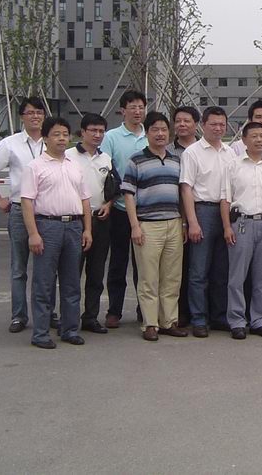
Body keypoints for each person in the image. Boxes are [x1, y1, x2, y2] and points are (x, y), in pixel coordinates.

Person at [20, 117, 92, 349]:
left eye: (65, 134)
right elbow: (27, 202)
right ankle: (41, 333)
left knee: (72, 283)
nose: (62, 139)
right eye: (56, 134)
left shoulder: (74, 165)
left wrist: (87, 229)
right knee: (44, 282)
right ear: (45, 138)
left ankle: (70, 329)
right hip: (47, 227)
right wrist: (33, 233)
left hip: (74, 226)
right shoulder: (35, 167)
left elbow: (85, 199)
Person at [0, 97, 47, 334]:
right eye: (30, 112)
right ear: (22, 117)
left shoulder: (52, 140)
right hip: (19, 210)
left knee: (47, 268)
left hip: (46, 212)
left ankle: (48, 313)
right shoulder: (10, 144)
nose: (35, 116)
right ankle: (19, 315)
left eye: (39, 112)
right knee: (19, 267)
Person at [122, 111, 188, 342]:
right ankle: (150, 323)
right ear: (147, 133)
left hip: (174, 224)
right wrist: (134, 226)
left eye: (163, 129)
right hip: (147, 226)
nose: (160, 134)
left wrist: (183, 223)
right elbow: (128, 194)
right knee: (149, 278)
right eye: (155, 129)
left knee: (172, 277)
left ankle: (169, 321)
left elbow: (182, 194)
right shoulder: (136, 160)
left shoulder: (176, 160)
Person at [221, 121, 262, 340]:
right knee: (237, 276)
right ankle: (237, 321)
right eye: (254, 136)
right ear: (244, 140)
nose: (259, 140)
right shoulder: (233, 165)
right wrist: (226, 227)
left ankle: (260, 320)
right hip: (242, 223)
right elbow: (225, 199)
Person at [180, 106, 235, 337]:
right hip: (202, 211)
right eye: (213, 124)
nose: (218, 128)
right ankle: (199, 319)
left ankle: (219, 316)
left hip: (227, 213)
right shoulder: (192, 152)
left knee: (222, 270)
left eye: (222, 124)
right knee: (198, 271)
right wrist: (192, 222)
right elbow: (186, 188)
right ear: (203, 125)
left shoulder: (230, 152)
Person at [65, 113, 118, 334]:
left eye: (101, 131)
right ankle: (68, 319)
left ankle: (90, 317)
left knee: (96, 273)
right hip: (75, 221)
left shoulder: (106, 158)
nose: (97, 135)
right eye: (93, 130)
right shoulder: (67, 156)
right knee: (71, 273)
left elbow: (114, 186)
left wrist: (109, 204)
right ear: (83, 131)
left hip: (100, 220)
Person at [100, 90, 148, 329]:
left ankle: (144, 310)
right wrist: (110, 199)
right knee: (118, 262)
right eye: (132, 107)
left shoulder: (150, 135)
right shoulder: (111, 137)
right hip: (120, 208)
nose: (137, 111)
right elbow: (105, 169)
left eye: (141, 107)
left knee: (144, 265)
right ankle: (114, 311)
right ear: (122, 110)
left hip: (146, 211)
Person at [170, 105, 200, 328]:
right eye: (178, 120)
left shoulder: (204, 149)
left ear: (196, 124)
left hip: (202, 213)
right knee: (177, 266)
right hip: (173, 215)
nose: (182, 124)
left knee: (199, 267)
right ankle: (178, 312)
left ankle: (199, 311)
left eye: (187, 120)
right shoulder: (167, 151)